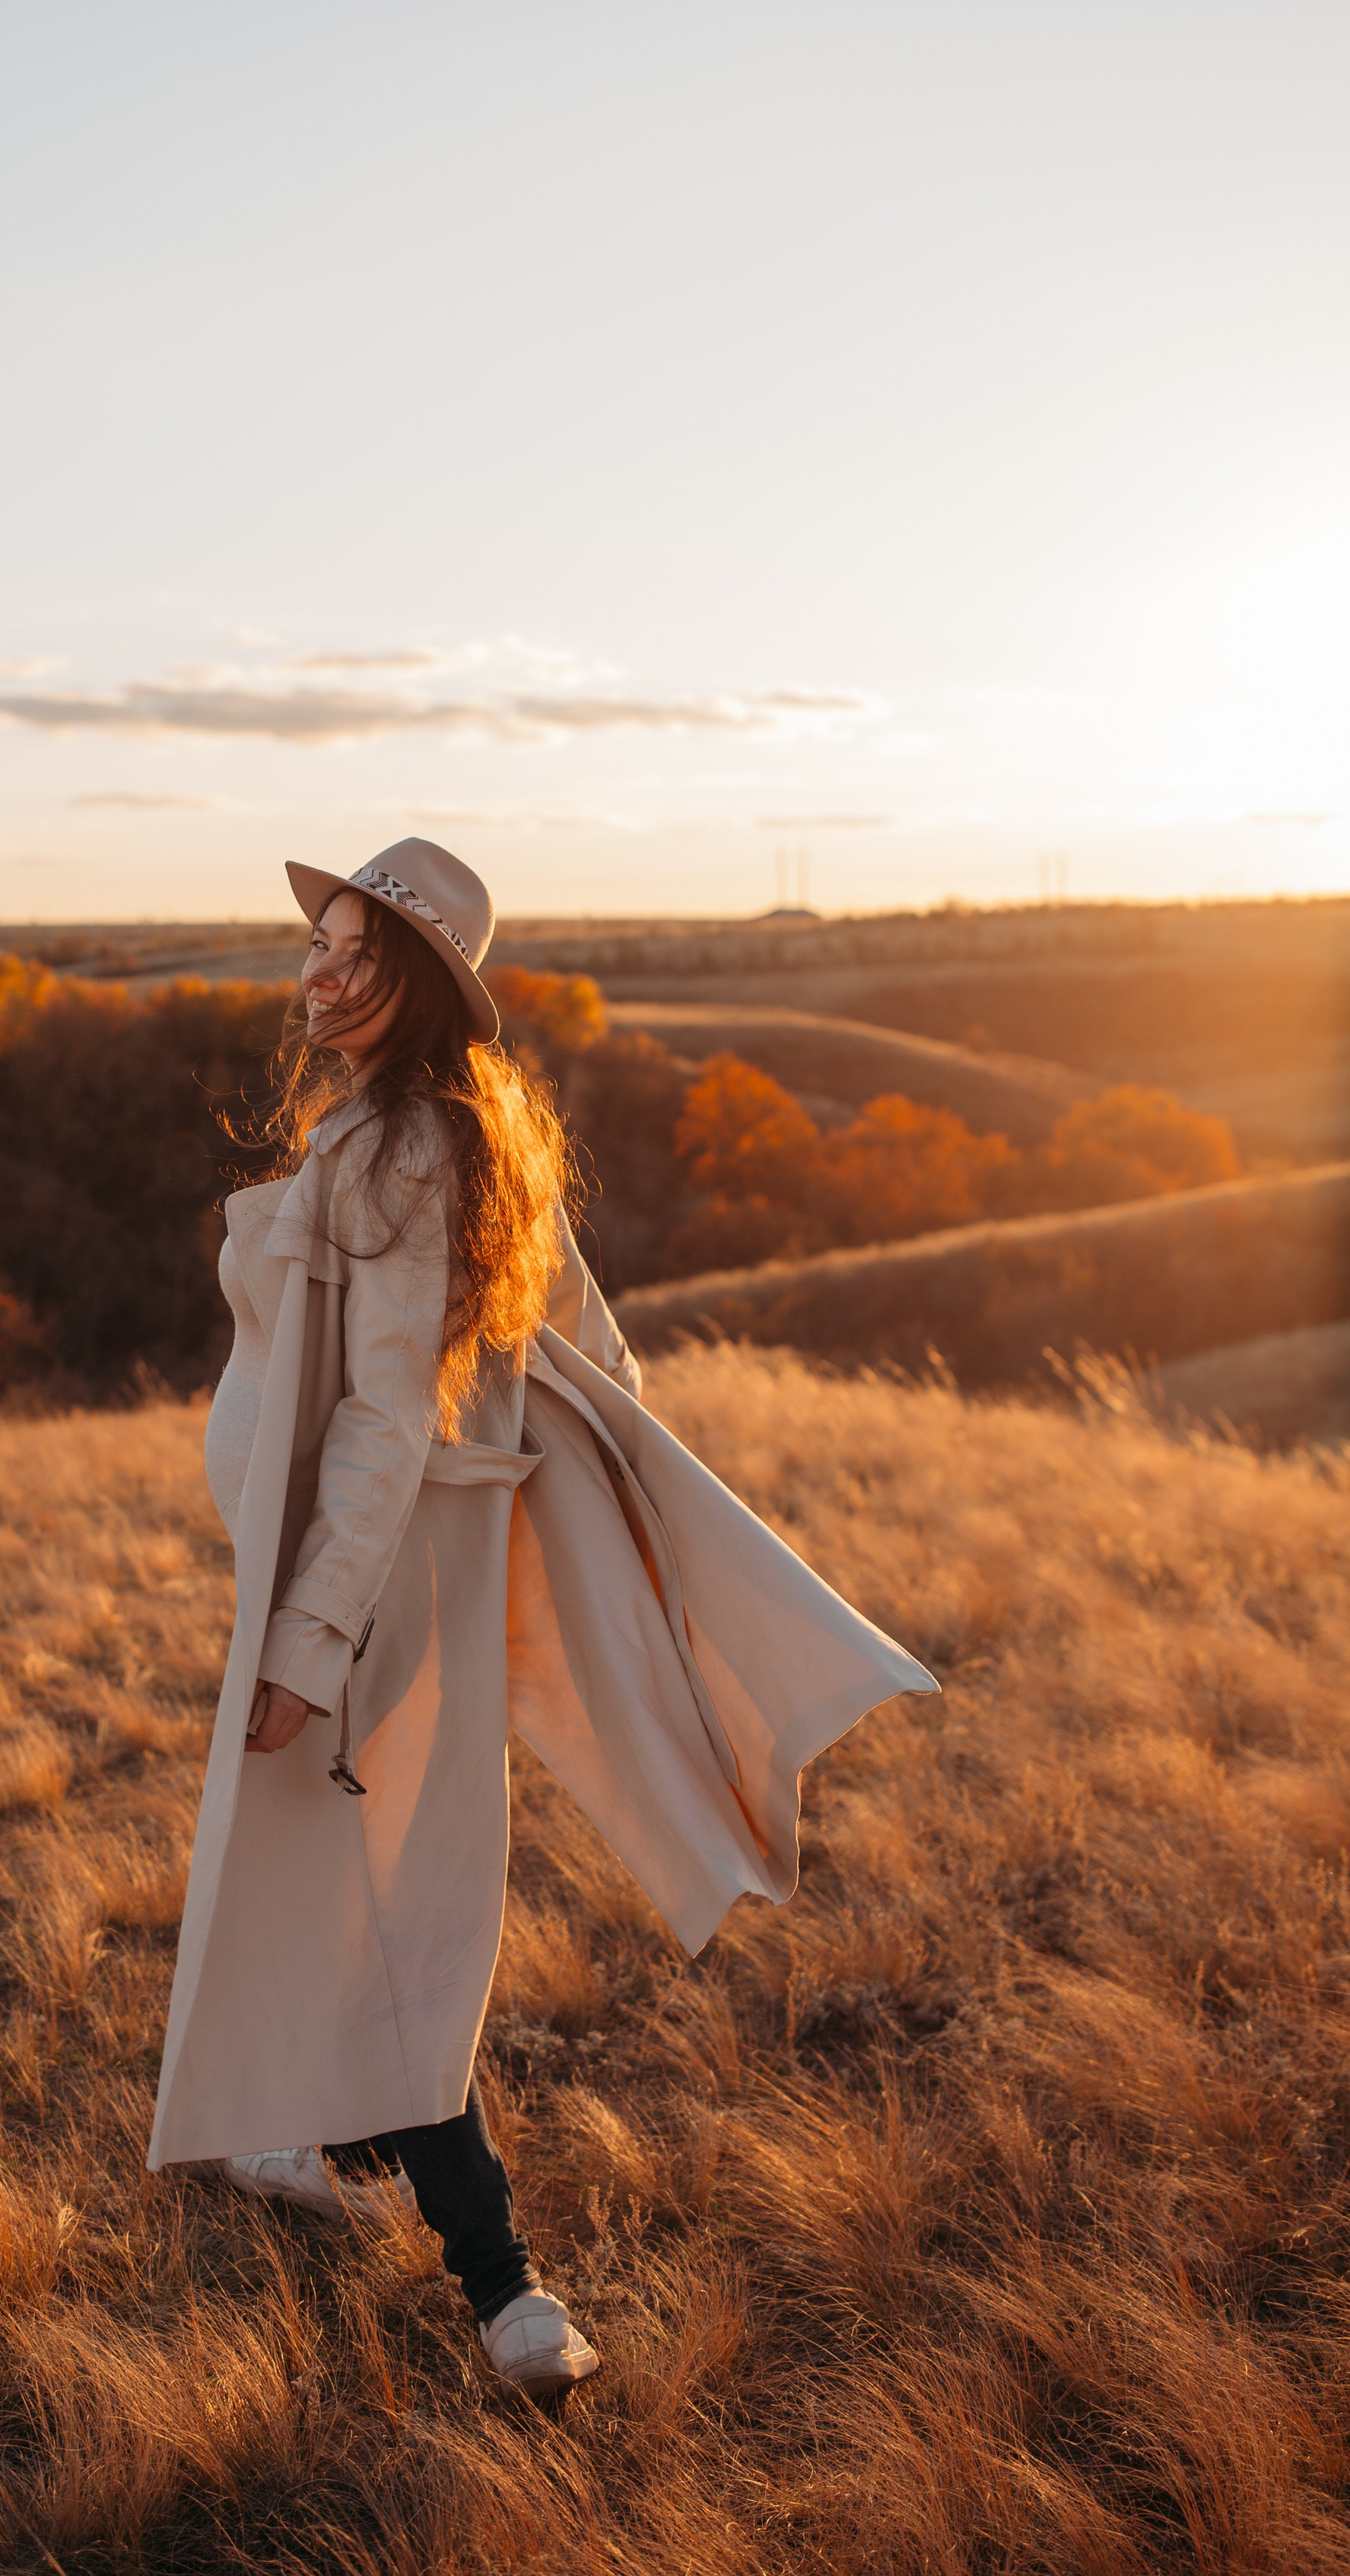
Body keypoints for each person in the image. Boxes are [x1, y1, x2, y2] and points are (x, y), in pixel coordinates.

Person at [149, 837, 935, 2399]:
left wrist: (314, 1639)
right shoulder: (452, 1131)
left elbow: (383, 1424)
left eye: (357, 953)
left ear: (422, 988)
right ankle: (307, 2141)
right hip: (375, 1571)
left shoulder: (402, 1151)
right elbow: (593, 1350)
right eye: (315, 942)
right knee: (345, 1881)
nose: (318, 971)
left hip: (363, 1588)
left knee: (386, 1905)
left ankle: (504, 2289)